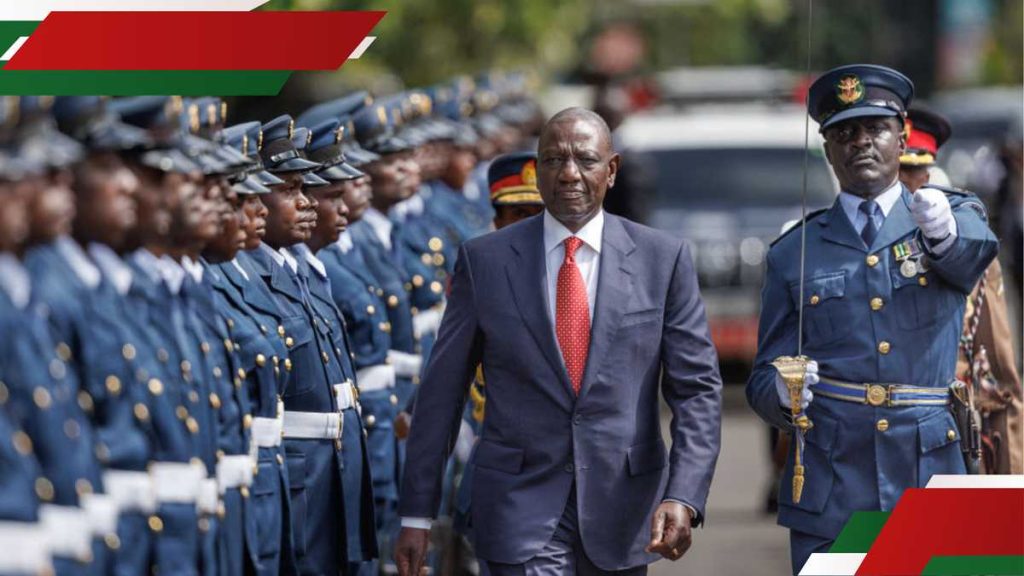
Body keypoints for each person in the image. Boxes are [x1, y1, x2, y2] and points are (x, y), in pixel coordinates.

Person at [396, 107, 723, 576]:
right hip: (517, 509)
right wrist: (417, 513)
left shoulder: (661, 259)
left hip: (623, 511)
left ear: (610, 171)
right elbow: (442, 393)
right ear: (539, 167)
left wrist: (683, 494)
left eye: (585, 160)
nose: (568, 173)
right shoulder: (485, 261)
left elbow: (696, 390)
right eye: (553, 160)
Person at [746, 65, 1000, 575]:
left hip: (932, 465)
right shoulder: (794, 251)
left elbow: (973, 252)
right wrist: (779, 390)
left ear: (901, 134)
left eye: (875, 129)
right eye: (844, 132)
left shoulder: (947, 216)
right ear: (826, 147)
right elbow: (760, 374)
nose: (860, 142)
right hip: (835, 474)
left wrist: (943, 236)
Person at [898, 107, 1022, 474]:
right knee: (867, 534)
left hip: (949, 436)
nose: (906, 185)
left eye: (913, 172)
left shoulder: (965, 245)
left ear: (929, 172)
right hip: (862, 443)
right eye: (897, 172)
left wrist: (1009, 483)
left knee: (946, 532)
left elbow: (1000, 381)